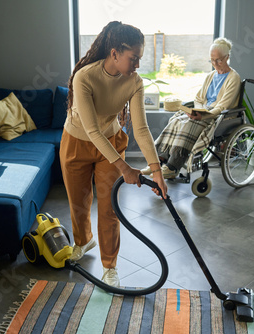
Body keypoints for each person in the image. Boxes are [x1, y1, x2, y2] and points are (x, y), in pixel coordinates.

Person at [61, 21, 168, 288]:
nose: (138, 65)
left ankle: (110, 265)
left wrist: (157, 172)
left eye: (140, 58)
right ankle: (83, 241)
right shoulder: (85, 76)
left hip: (110, 140)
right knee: (79, 201)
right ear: (115, 53)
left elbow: (141, 129)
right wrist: (125, 168)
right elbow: (91, 129)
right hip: (77, 141)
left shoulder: (135, 82)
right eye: (134, 58)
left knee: (108, 207)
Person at [142, 37, 241, 179]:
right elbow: (199, 99)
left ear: (227, 57)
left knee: (189, 123)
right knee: (176, 120)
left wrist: (205, 114)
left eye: (218, 60)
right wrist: (198, 110)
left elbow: (222, 106)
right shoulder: (210, 76)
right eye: (212, 60)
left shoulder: (233, 78)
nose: (215, 63)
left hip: (216, 116)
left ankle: (172, 166)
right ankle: (157, 162)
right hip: (203, 112)